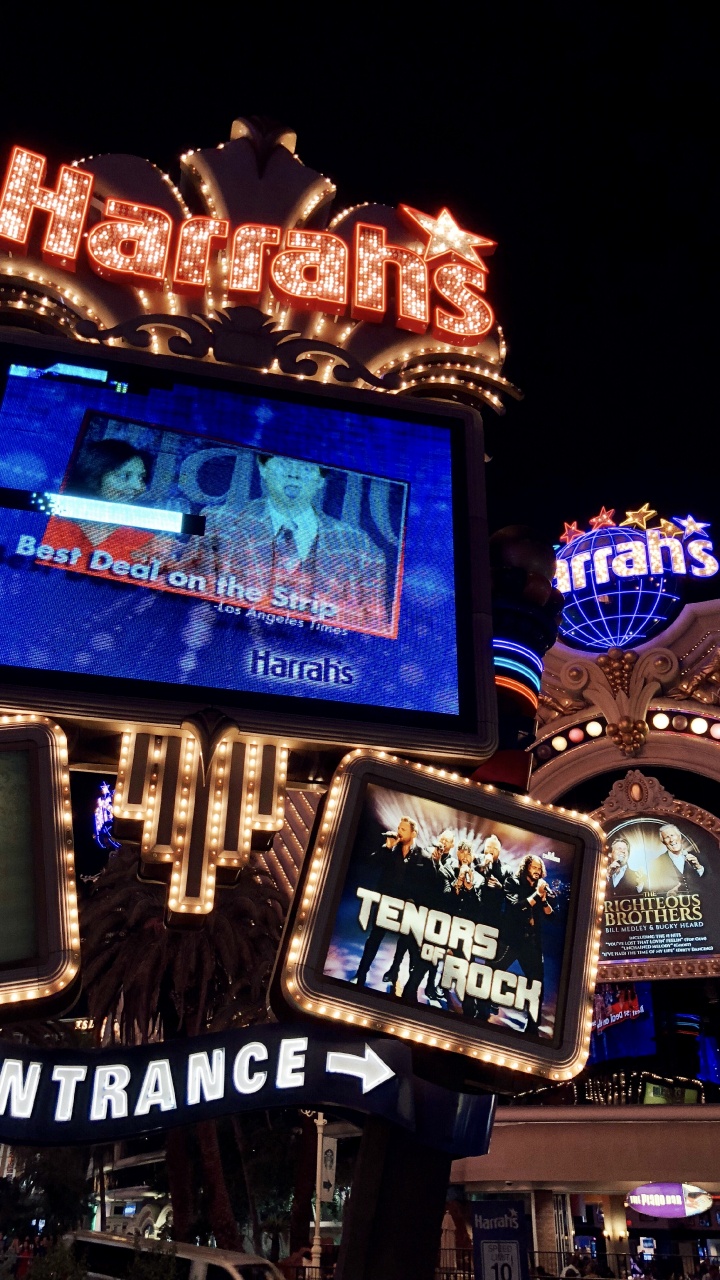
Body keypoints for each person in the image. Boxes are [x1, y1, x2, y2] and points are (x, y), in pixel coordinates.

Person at [203, 451, 389, 632]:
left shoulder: (363, 548)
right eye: (284, 462)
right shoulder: (213, 521)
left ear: (320, 480)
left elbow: (372, 633)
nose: (294, 474)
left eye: (307, 467)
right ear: (263, 467)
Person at [41, 438, 167, 567]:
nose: (138, 486)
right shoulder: (49, 525)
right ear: (94, 474)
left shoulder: (148, 541)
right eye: (124, 476)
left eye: (141, 478)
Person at [353, 817, 428, 987]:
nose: (399, 832)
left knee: (406, 943)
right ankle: (361, 974)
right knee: (374, 939)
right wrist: (387, 847)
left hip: (408, 909)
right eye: (399, 828)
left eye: (403, 829)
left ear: (413, 833)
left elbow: (429, 885)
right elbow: (371, 863)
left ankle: (396, 972)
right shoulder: (390, 850)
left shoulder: (423, 857)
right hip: (386, 904)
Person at [498, 853, 553, 1033]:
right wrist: (537, 894)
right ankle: (477, 1010)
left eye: (539, 869)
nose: (537, 872)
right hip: (512, 939)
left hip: (531, 942)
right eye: (533, 868)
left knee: (537, 984)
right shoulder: (512, 882)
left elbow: (551, 915)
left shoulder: (540, 888)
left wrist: (544, 898)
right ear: (526, 868)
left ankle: (532, 1026)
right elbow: (517, 907)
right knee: (491, 970)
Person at [648, 823, 708, 894]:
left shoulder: (699, 857)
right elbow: (655, 893)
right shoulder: (656, 863)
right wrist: (667, 896)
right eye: (667, 837)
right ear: (663, 842)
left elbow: (712, 885)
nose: (671, 840)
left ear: (679, 837)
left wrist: (699, 868)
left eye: (672, 835)